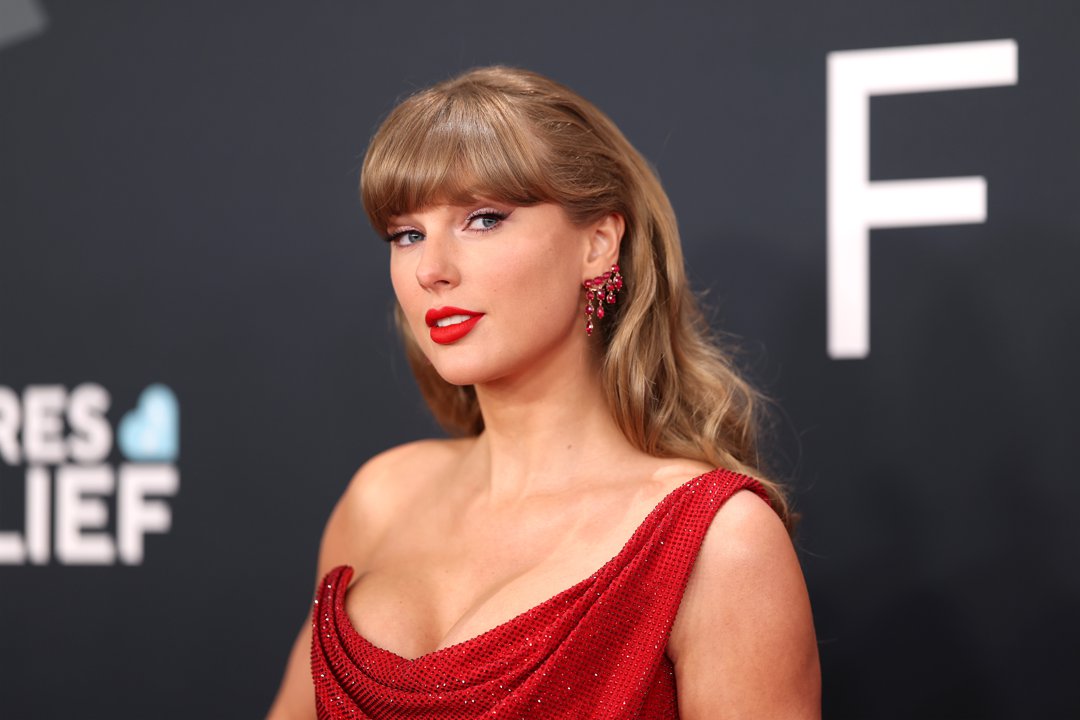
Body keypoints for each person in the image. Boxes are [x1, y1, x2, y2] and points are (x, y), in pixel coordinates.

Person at [267, 66, 820, 719]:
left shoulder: (719, 543)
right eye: (406, 234)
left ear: (598, 243)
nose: (431, 269)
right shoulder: (379, 499)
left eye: (483, 219)